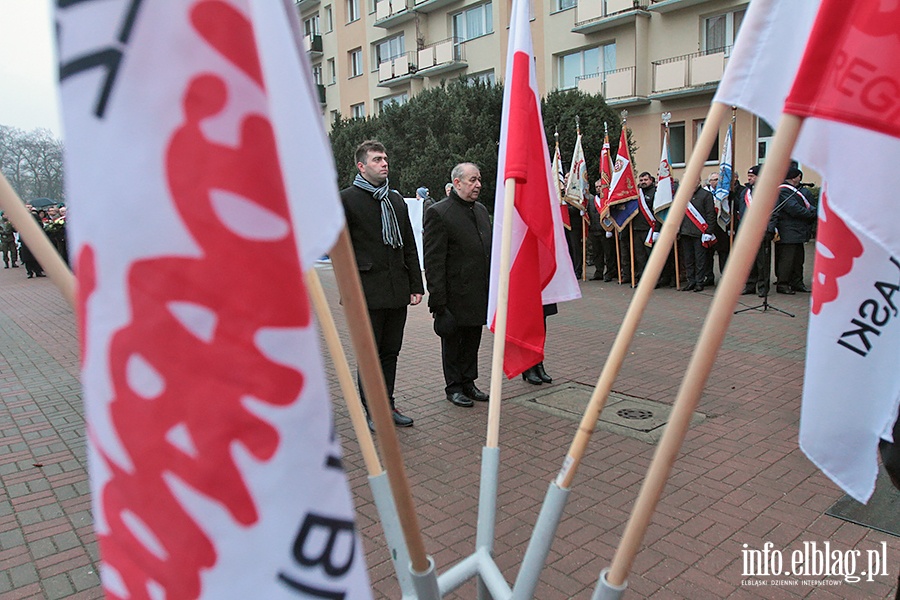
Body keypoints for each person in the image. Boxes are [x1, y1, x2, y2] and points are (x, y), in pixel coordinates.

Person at [340, 140, 423, 431]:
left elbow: (409, 245)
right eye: (377, 159)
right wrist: (349, 291)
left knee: (390, 352)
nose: (384, 163)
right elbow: (341, 250)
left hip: (396, 291)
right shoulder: (347, 200)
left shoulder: (395, 200)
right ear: (361, 166)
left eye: (385, 158)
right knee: (370, 354)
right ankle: (373, 410)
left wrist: (416, 284)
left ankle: (387, 403)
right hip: (366, 292)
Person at [423, 162, 492, 408]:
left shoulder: (481, 211)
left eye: (479, 180)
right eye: (472, 180)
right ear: (457, 183)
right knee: (453, 343)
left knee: (473, 340)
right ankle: (453, 387)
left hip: (478, 291)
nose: (478, 185)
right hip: (453, 296)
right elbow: (433, 260)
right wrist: (438, 301)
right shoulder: (439, 213)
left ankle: (468, 382)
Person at [773, 166, 816, 295]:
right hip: (788, 231)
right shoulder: (784, 191)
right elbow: (793, 208)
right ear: (794, 177)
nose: (800, 178)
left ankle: (797, 282)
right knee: (787, 259)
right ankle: (783, 283)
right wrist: (811, 214)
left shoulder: (798, 190)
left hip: (798, 231)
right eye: (798, 176)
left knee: (798, 259)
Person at [678, 179, 715, 292]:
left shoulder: (705, 195)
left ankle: (699, 281)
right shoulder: (682, 195)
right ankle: (691, 281)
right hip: (685, 232)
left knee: (700, 259)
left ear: (698, 180)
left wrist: (709, 231)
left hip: (699, 232)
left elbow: (710, 214)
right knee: (688, 259)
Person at [587, 180, 615, 282]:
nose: (598, 188)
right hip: (594, 231)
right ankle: (598, 272)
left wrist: (610, 228)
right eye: (596, 187)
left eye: (600, 186)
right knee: (597, 254)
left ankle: (610, 273)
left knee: (608, 254)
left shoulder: (607, 200)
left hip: (605, 231)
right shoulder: (591, 200)